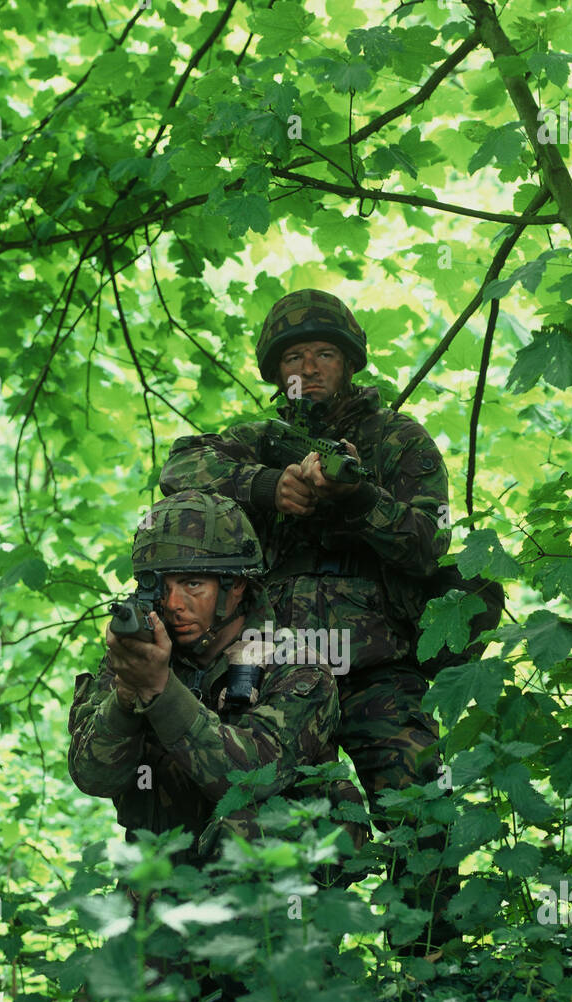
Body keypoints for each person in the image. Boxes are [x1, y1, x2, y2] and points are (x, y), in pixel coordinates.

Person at [159, 289, 459, 950]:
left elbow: (425, 541)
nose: (311, 367)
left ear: (349, 362)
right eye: (294, 356)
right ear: (276, 372)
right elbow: (179, 470)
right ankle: (279, 975)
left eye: (325, 352)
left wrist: (356, 500)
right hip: (279, 678)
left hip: (378, 669)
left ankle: (432, 969)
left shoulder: (397, 441)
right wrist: (267, 486)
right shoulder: (255, 442)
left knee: (422, 810)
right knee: (261, 814)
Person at [67, 488, 364, 872]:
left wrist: (160, 689)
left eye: (193, 584)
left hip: (272, 903)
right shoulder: (142, 660)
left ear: (235, 587)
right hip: (161, 893)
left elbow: (248, 780)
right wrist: (126, 693)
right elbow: (94, 777)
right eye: (162, 586)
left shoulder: (297, 667)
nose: (174, 604)